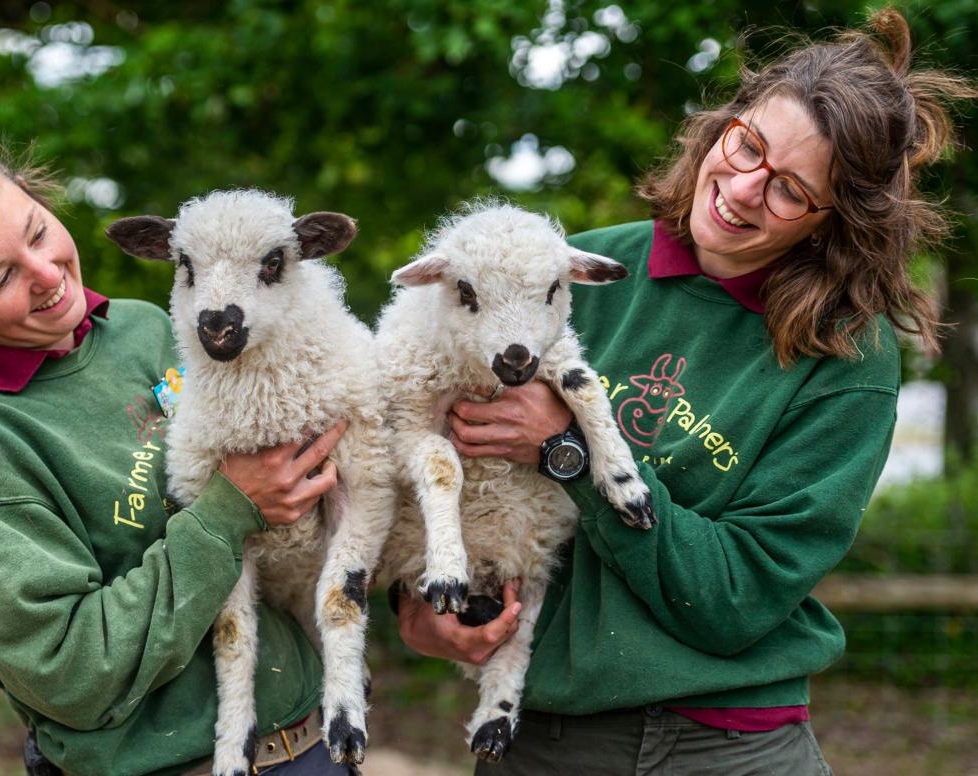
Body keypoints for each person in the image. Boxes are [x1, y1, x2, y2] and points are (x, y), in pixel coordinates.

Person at [396, 8, 976, 774]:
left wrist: (566, 451)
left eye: (789, 190)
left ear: (833, 222)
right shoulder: (572, 275)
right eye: (746, 146)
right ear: (721, 126)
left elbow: (737, 595)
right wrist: (418, 614)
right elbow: (427, 455)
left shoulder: (844, 358)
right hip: (539, 737)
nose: (741, 189)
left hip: (725, 744)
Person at [0, 144, 354, 776]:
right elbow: (72, 671)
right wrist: (226, 513)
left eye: (37, 232)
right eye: (0, 279)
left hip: (311, 739)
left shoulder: (143, 329)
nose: (46, 274)